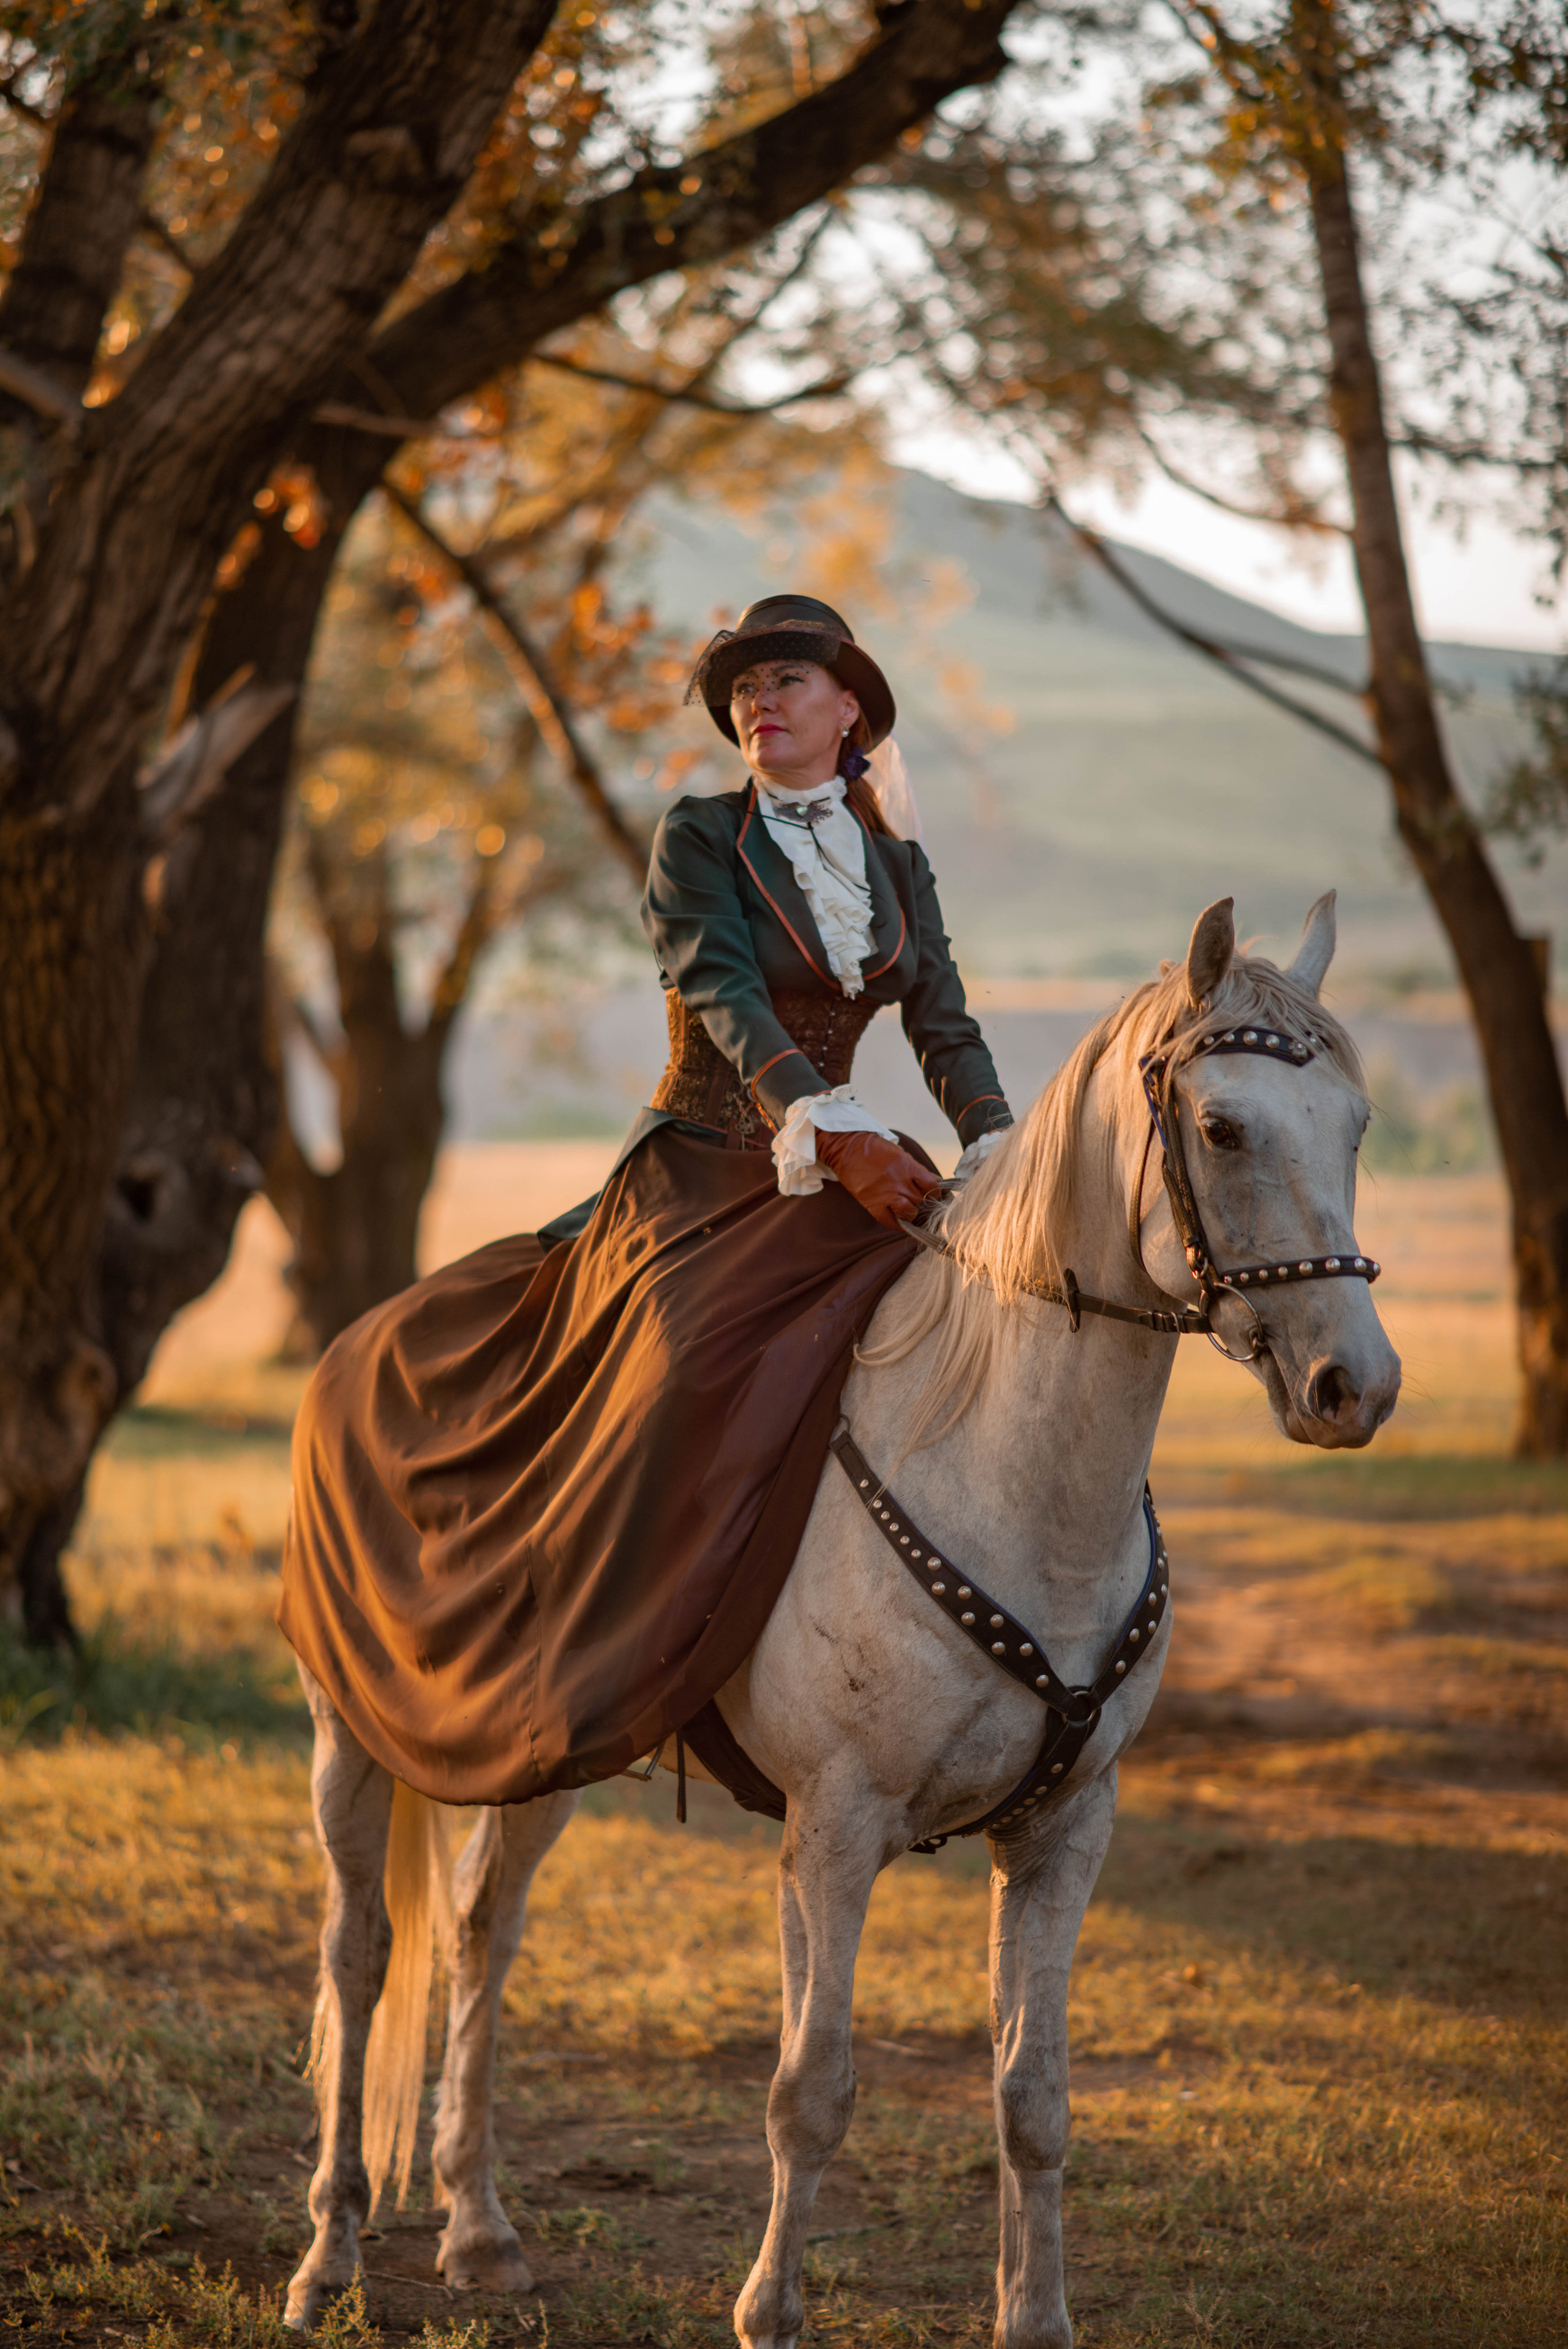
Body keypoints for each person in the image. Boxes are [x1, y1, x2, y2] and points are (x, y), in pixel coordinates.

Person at [277, 595, 1015, 1811]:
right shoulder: (699, 835)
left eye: (784, 678)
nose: (756, 701)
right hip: (699, 1162)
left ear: (849, 710)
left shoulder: (896, 864)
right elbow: (725, 993)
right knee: (675, 1373)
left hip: (838, 1167)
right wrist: (831, 1136)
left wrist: (995, 1139)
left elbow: (942, 1019)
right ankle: (625, 1666)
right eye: (739, 689)